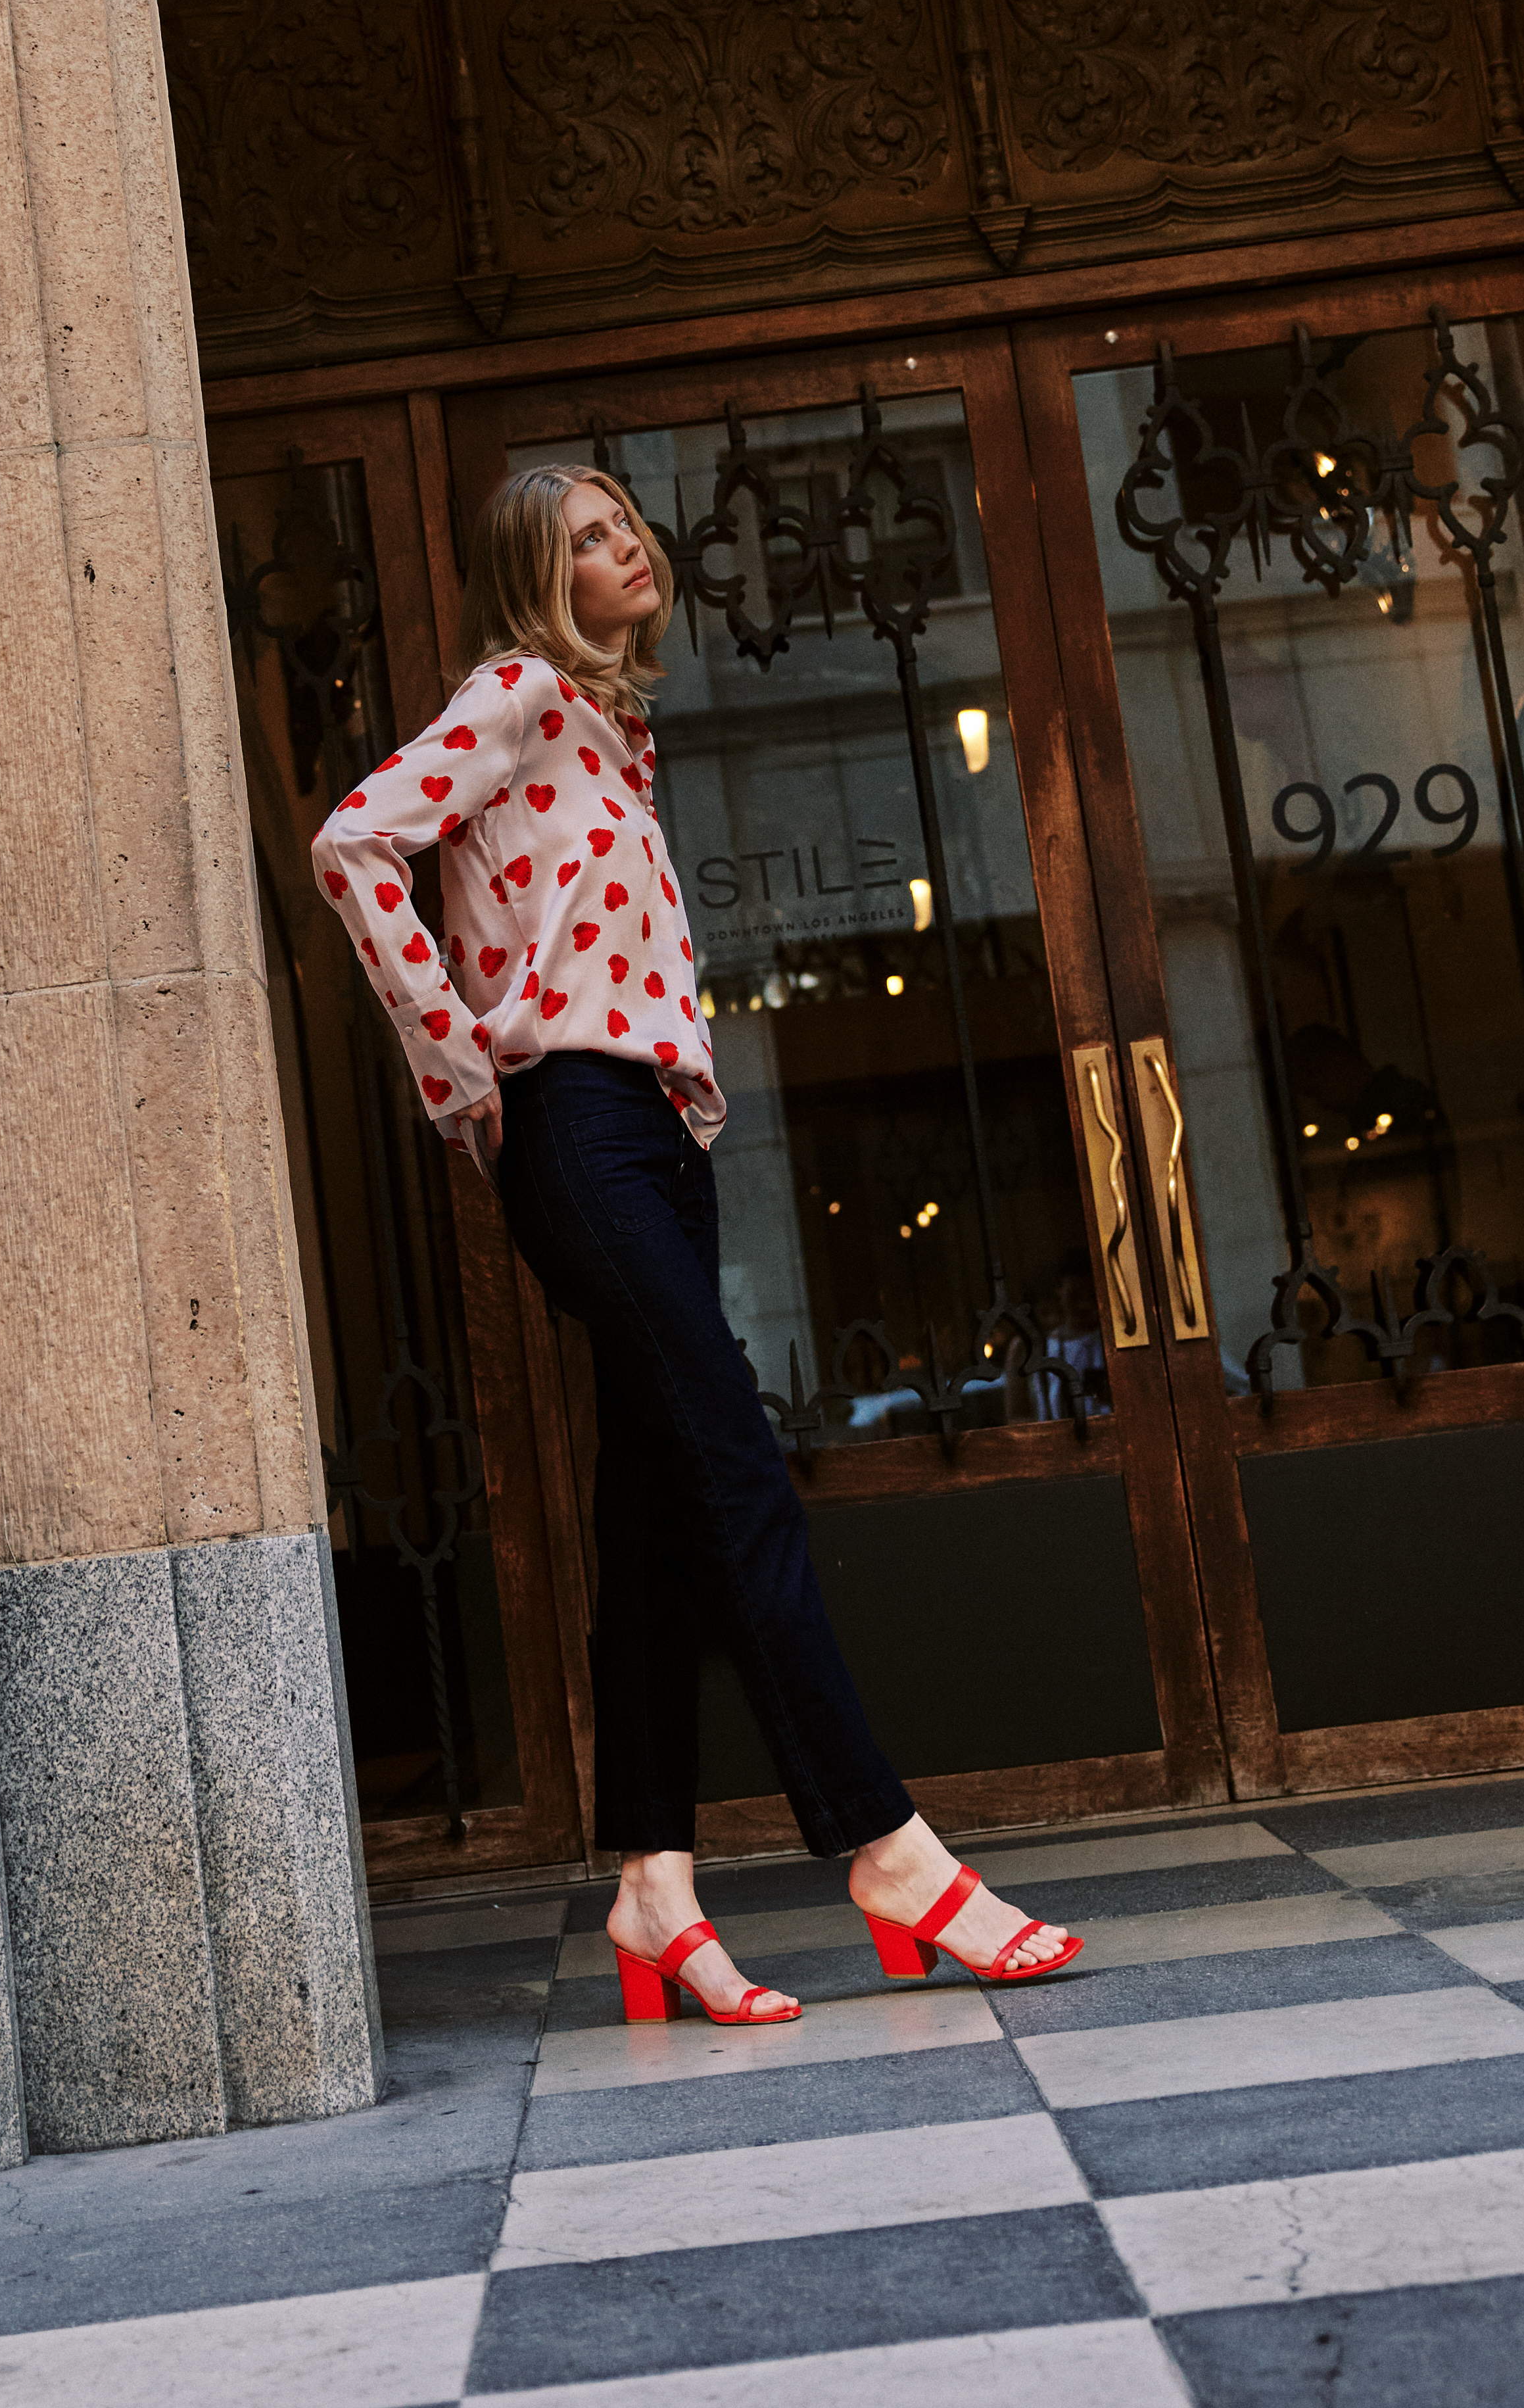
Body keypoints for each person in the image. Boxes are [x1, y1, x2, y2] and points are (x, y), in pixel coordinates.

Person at [311, 465, 1080, 2025]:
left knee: (660, 1510)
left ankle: (653, 1886)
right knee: (735, 1465)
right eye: (588, 537)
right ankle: (885, 1845)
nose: (625, 545)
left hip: (654, 1134)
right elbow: (349, 842)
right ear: (539, 578)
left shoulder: (613, 737)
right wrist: (455, 1058)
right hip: (574, 1126)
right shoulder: (517, 692)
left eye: (622, 523)